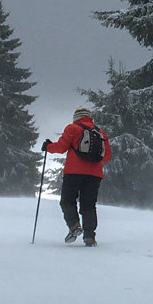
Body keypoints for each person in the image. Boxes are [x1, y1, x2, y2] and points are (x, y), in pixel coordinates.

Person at [43, 105, 112, 247]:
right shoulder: (100, 132)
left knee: (67, 201)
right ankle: (89, 237)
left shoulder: (72, 128)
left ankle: (74, 226)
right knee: (88, 205)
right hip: (94, 174)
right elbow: (106, 157)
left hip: (73, 172)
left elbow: (61, 148)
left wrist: (48, 147)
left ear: (76, 117)